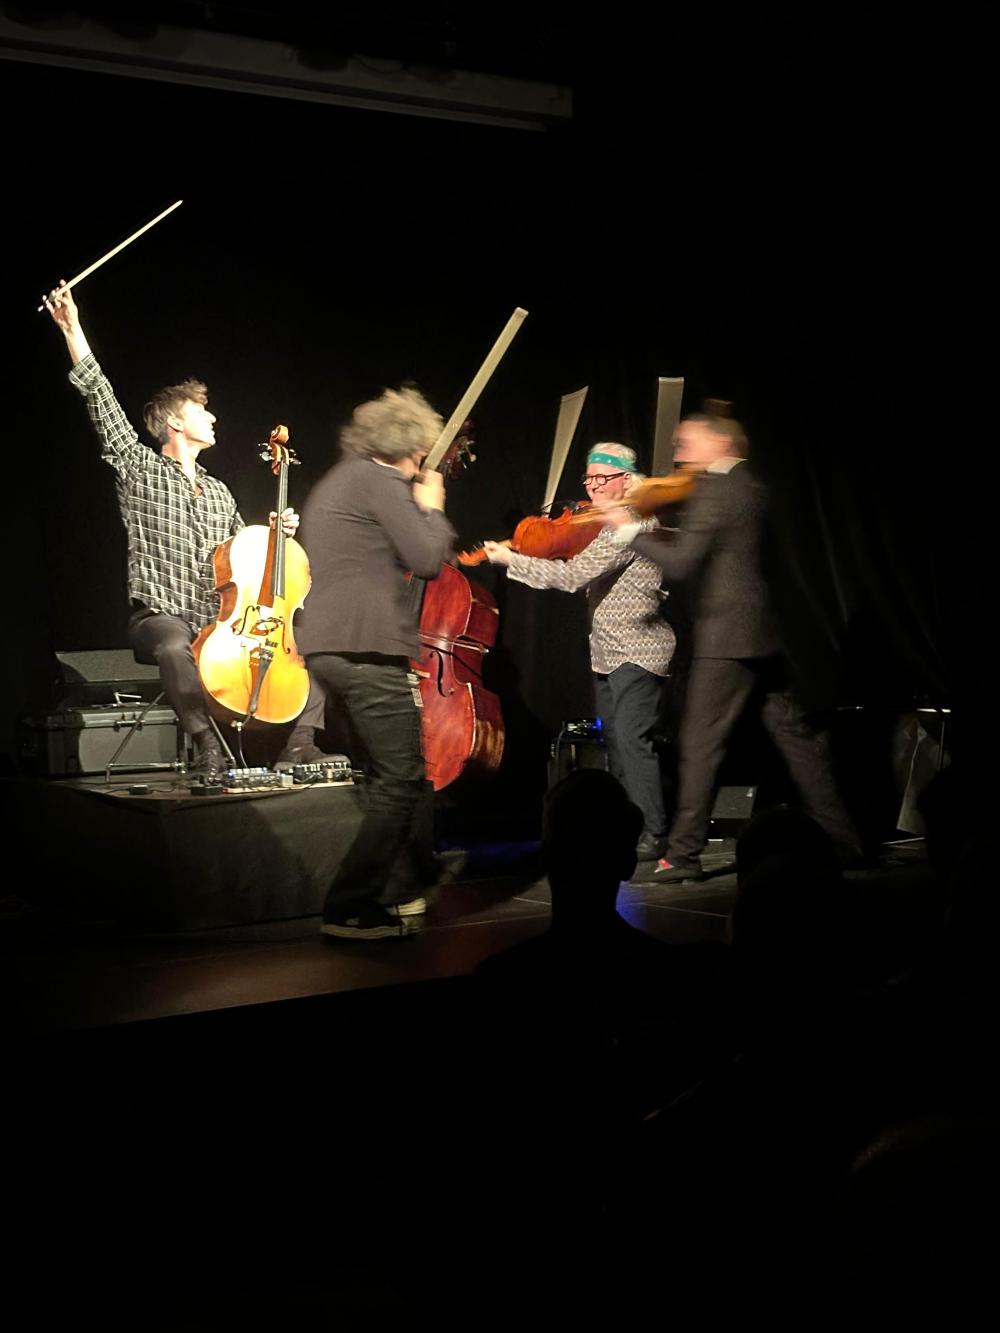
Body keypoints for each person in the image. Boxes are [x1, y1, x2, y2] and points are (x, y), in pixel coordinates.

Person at [45, 282, 311, 781]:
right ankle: (207, 744)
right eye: (201, 410)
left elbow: (245, 560)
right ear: (173, 422)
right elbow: (100, 396)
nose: (213, 416)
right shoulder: (140, 467)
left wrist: (276, 533)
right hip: (160, 616)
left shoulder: (220, 493)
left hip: (218, 622)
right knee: (173, 646)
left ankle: (297, 748)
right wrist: (73, 327)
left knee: (299, 652)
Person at [601, 407, 862, 881]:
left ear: (720, 443)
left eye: (687, 442)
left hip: (727, 637)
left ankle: (683, 853)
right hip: (766, 634)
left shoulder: (717, 490)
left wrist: (627, 528)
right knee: (798, 740)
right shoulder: (754, 485)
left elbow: (681, 564)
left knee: (700, 745)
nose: (680, 452)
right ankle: (844, 840)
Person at [297, 386, 456, 940]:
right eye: (419, 455)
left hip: (328, 644)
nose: (420, 465)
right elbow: (427, 557)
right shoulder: (380, 480)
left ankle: (402, 888)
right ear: (408, 447)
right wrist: (431, 508)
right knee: (402, 778)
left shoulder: (339, 479)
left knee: (384, 775)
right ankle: (349, 906)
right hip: (366, 646)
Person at [483, 443, 675, 861]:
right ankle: (626, 824)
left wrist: (510, 560)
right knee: (617, 743)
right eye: (589, 478)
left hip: (638, 649)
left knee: (631, 740)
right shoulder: (607, 525)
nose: (592, 486)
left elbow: (574, 576)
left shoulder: (633, 523)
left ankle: (653, 831)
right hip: (607, 651)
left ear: (627, 480)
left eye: (603, 477)